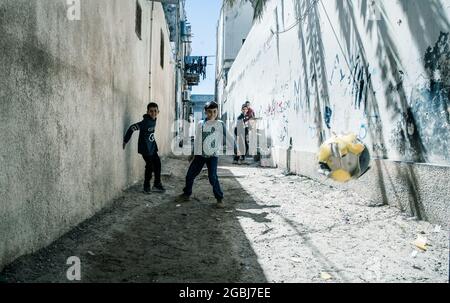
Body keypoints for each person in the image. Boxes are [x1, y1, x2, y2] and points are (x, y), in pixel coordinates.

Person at [178, 101, 226, 209]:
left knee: (212, 177)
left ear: (217, 112)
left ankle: (219, 198)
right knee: (190, 175)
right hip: (200, 155)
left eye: (214, 112)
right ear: (205, 112)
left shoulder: (220, 124)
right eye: (209, 112)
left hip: (213, 156)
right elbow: (197, 139)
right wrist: (192, 153)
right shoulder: (201, 124)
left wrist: (236, 148)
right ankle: (186, 194)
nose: (212, 114)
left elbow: (228, 136)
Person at [123, 102, 166, 194]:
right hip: (145, 149)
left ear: (158, 112)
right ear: (147, 112)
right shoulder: (145, 122)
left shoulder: (154, 119)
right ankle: (146, 187)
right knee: (150, 167)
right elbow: (132, 128)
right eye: (151, 111)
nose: (153, 113)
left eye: (155, 111)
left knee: (157, 164)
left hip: (152, 147)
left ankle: (157, 184)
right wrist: (125, 140)